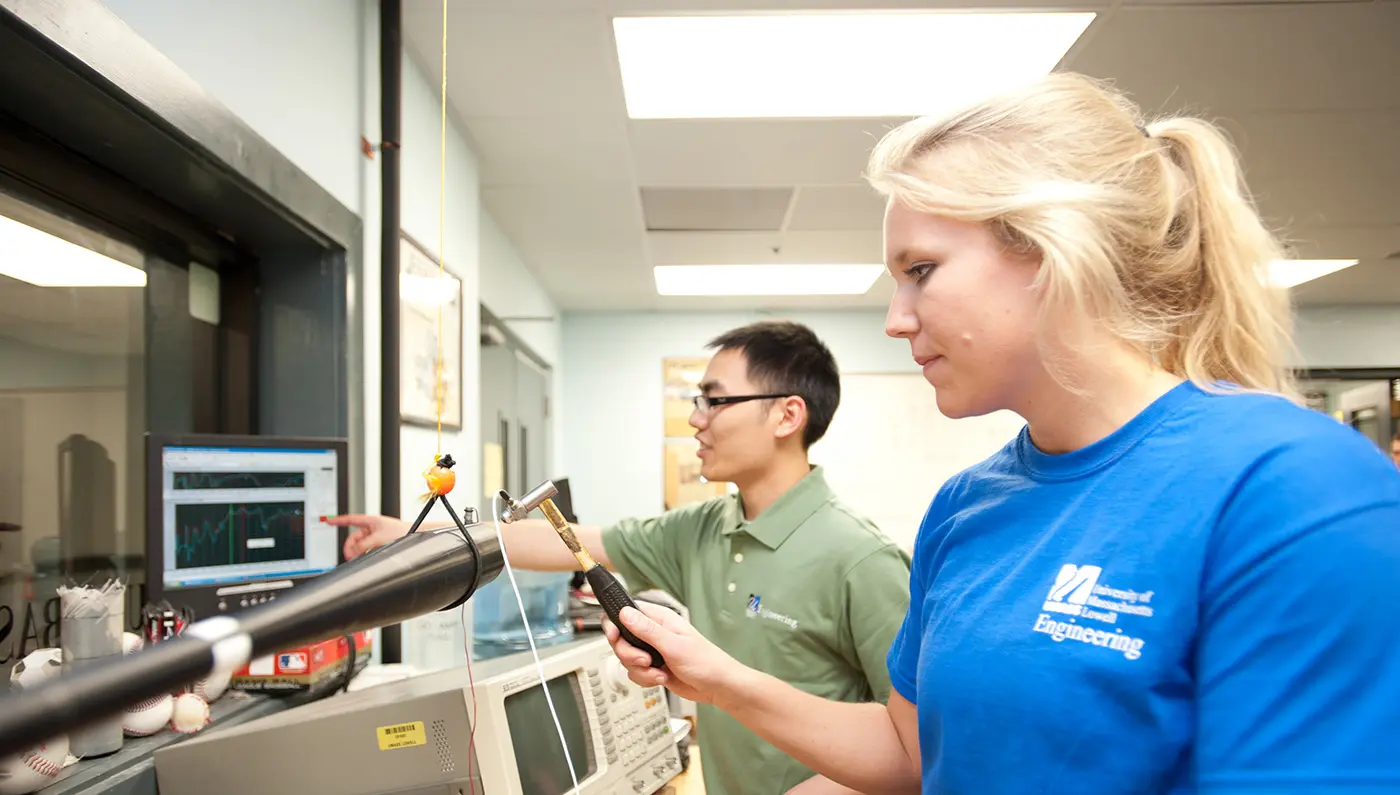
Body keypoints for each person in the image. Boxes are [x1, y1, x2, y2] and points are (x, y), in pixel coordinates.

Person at [600, 72, 1400, 795]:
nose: (895, 319)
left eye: (921, 271)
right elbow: (912, 753)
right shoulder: (967, 506)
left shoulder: (1295, 488)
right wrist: (718, 678)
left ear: (1054, 250)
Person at [327, 320, 912, 795]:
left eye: (714, 400)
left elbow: (920, 746)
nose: (696, 418)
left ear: (787, 415)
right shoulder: (704, 527)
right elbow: (570, 542)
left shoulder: (862, 559)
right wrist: (411, 534)